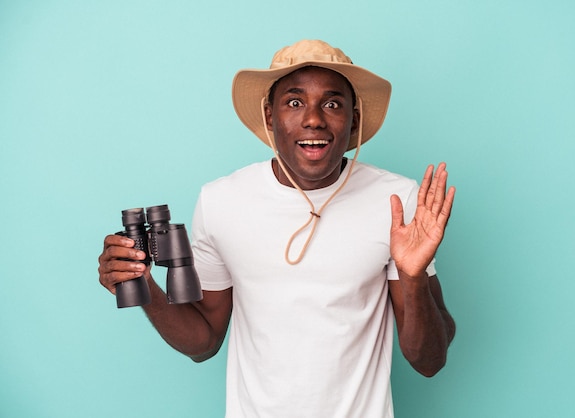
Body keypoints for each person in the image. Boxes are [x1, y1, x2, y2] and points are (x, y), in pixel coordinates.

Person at [98, 39, 456, 417]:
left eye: (332, 104)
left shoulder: (396, 201)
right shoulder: (222, 201)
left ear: (354, 119)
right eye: (295, 102)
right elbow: (203, 343)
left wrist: (413, 275)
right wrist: (142, 283)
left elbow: (429, 361)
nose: (314, 118)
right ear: (270, 116)